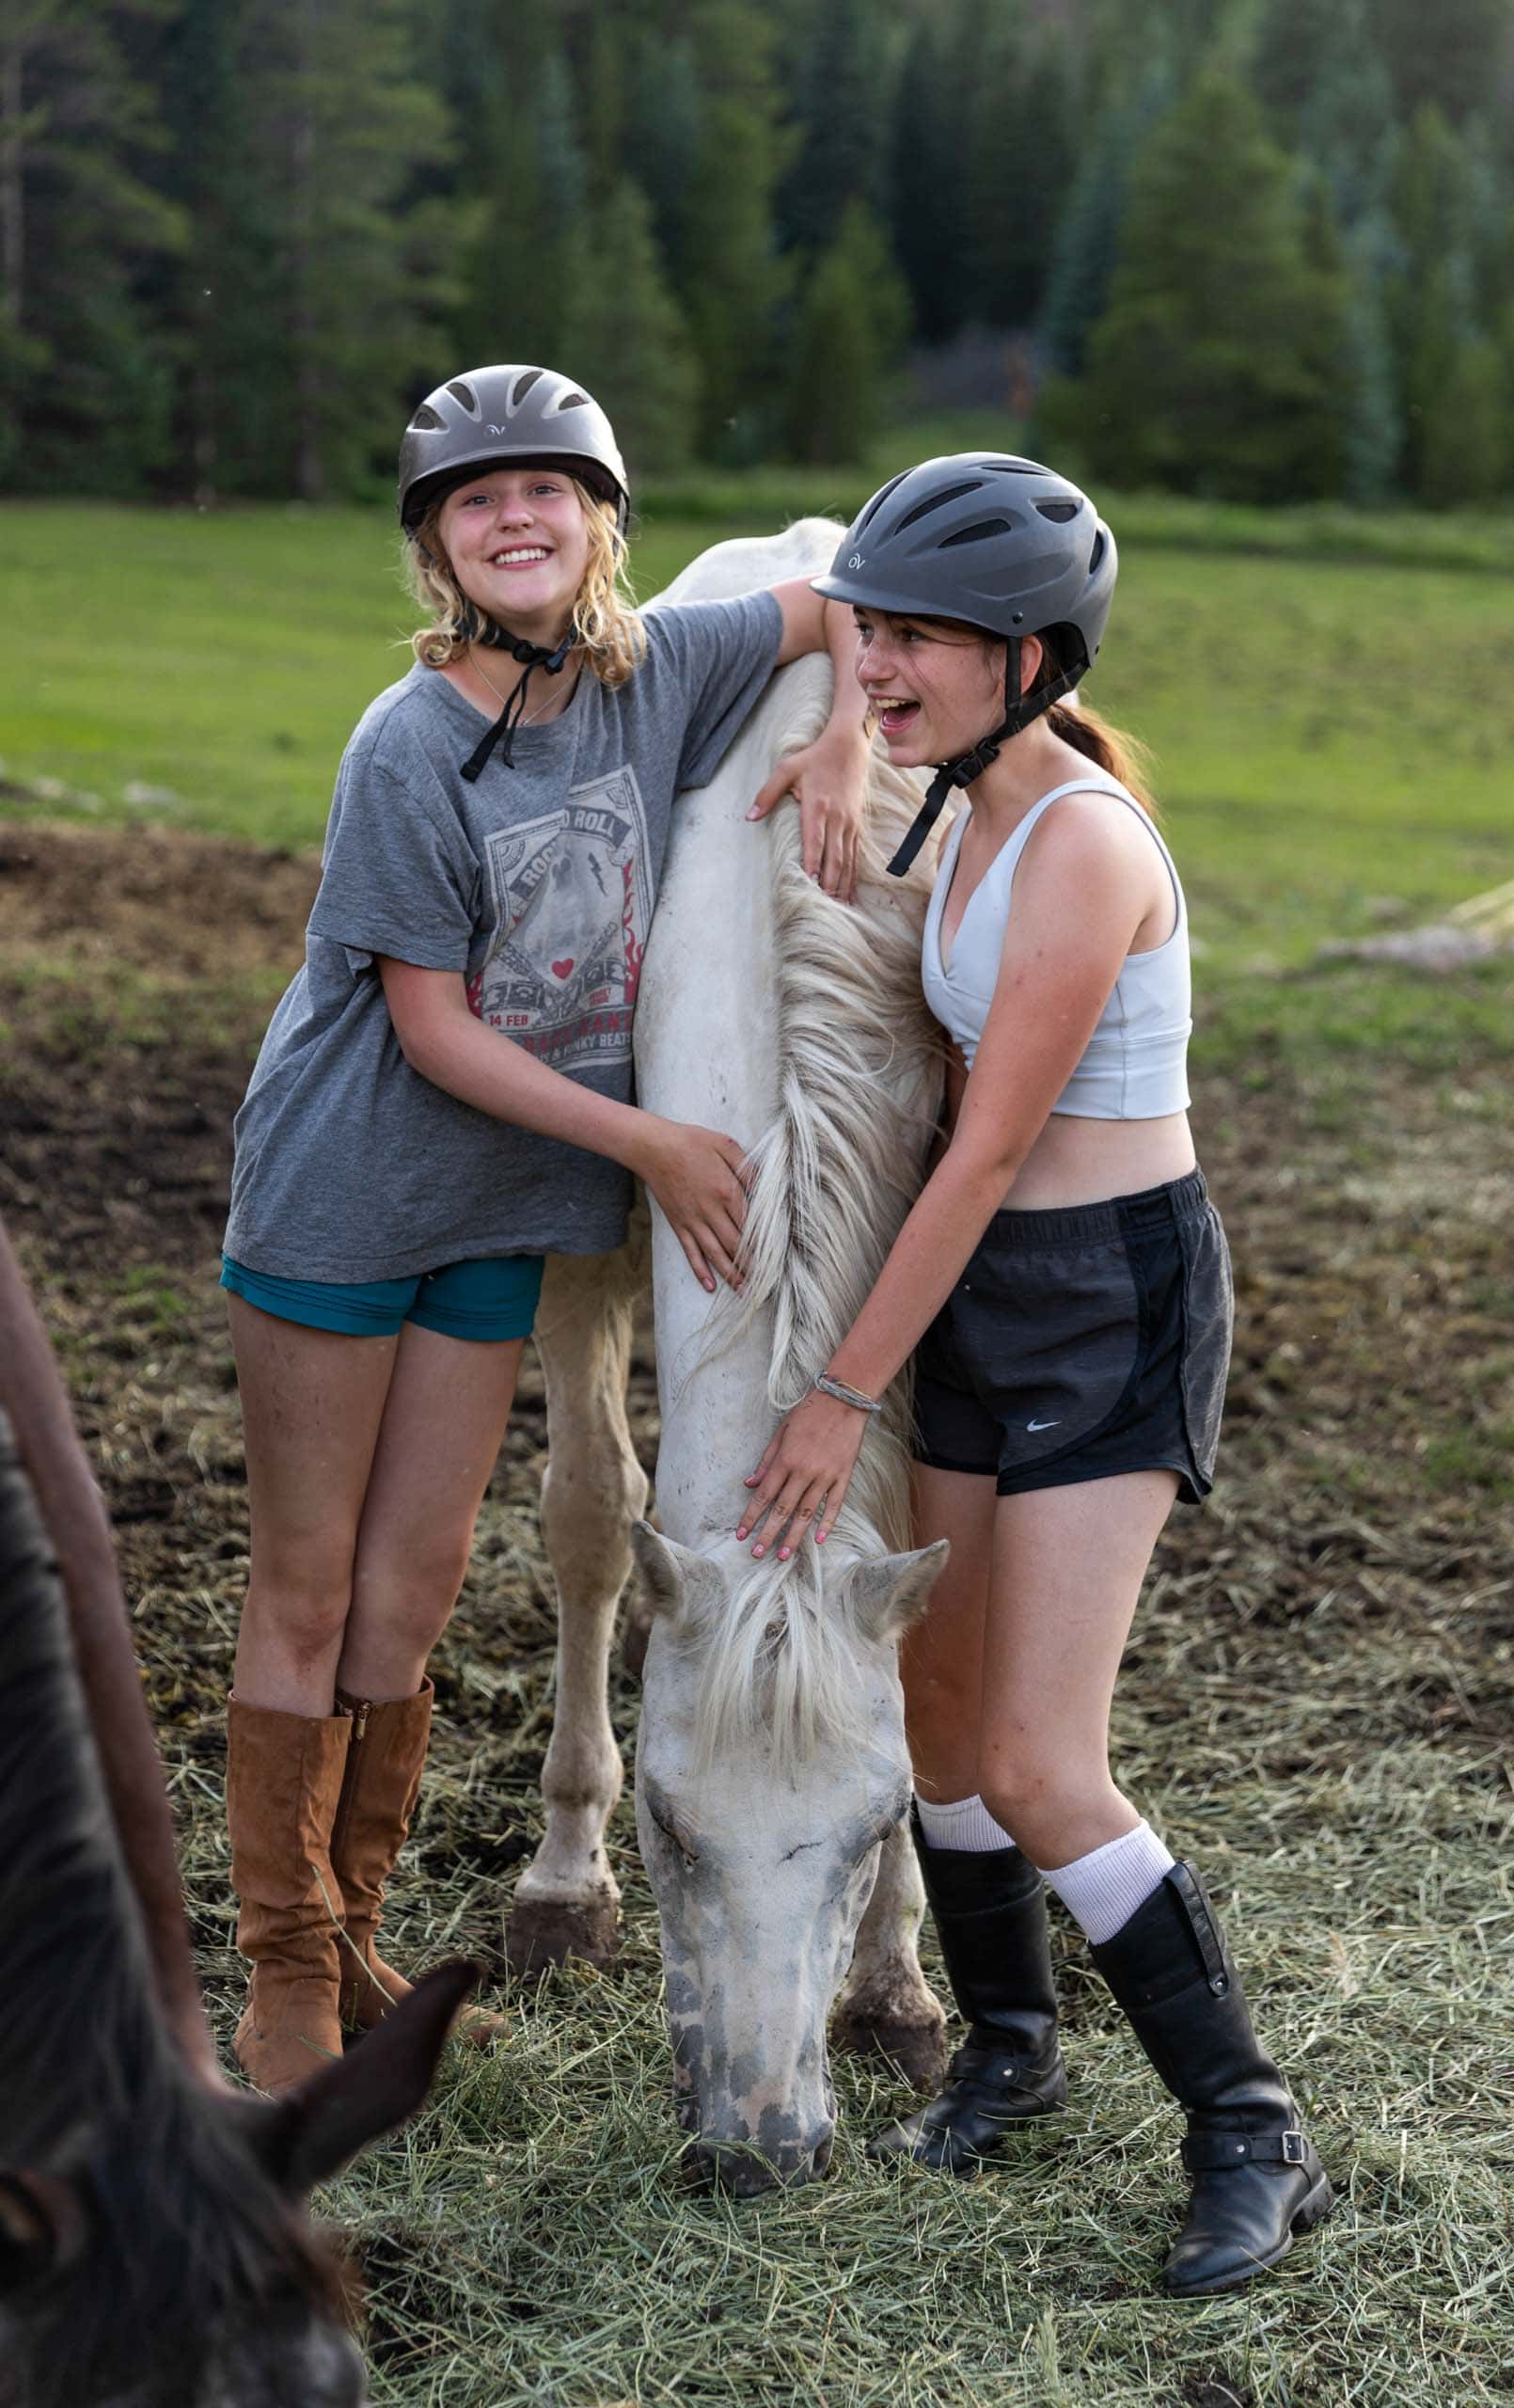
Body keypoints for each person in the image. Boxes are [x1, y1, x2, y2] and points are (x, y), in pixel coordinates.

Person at [219, 362, 871, 2094]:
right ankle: (283, 1972)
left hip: (502, 1212)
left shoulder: (655, 680)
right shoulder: (406, 740)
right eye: (477, 500)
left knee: (410, 1591)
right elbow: (430, 1028)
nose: (517, 518)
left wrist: (843, 734)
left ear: (600, 525)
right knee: (306, 1581)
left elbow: (848, 590)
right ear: (436, 546)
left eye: (549, 493)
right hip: (348, 1191)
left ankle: (355, 1930)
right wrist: (655, 1141)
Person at [735, 454, 1333, 2296]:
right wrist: (842, 736)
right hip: (982, 1295)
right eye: (875, 628)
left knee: (1037, 1755)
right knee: (935, 1702)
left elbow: (987, 1148)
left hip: (1102, 1298)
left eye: (918, 640)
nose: (879, 660)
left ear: (1032, 655)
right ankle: (1007, 2040)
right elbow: (826, 641)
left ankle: (1248, 2123)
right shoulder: (961, 796)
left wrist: (837, 1391)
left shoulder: (1079, 843)